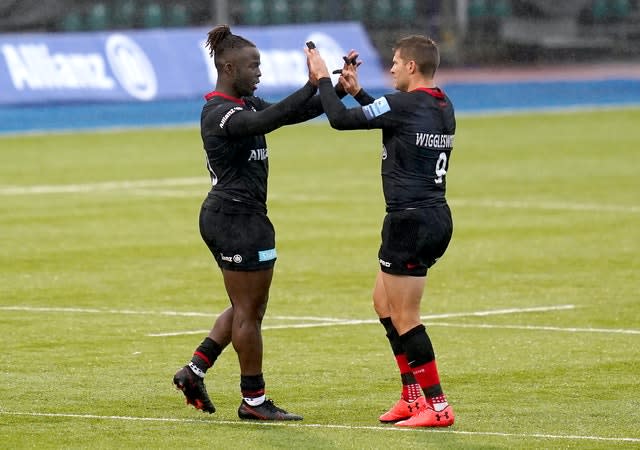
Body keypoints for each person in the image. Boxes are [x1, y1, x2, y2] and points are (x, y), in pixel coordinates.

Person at [172, 25, 356, 421]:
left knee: (247, 307)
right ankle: (253, 401)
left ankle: (194, 370)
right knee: (249, 311)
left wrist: (333, 88)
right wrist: (319, 81)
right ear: (227, 66)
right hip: (234, 218)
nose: (259, 72)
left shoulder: (245, 103)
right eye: (252, 66)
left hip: (241, 217)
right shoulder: (220, 113)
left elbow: (295, 113)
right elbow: (272, 119)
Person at [305, 35, 456, 427]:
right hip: (432, 217)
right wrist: (360, 95)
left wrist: (324, 80)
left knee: (406, 316)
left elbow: (339, 120)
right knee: (383, 305)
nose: (389, 67)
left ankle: (437, 407)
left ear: (410, 66)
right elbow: (396, 118)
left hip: (409, 221)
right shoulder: (440, 104)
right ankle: (411, 396)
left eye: (394, 61)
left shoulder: (404, 105)